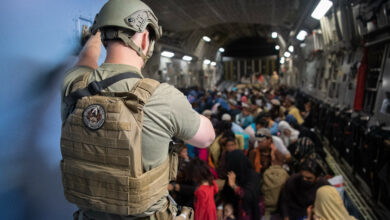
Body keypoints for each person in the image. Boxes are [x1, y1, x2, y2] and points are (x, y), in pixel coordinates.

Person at [60, 0, 215, 219]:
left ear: (103, 35)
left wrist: (96, 35)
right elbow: (206, 138)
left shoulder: (73, 85)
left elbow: (86, 58)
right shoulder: (164, 98)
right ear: (145, 39)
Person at [221, 150, 264, 220]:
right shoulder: (232, 174)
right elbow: (226, 194)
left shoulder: (253, 177)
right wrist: (227, 205)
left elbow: (249, 197)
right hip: (235, 212)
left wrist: (234, 186)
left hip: (251, 213)